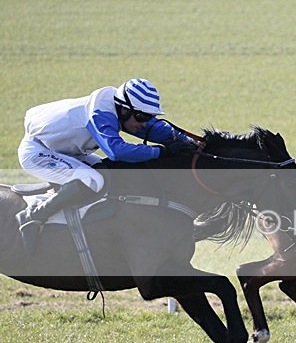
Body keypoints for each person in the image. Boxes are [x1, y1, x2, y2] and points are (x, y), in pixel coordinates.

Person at [16, 78, 195, 251]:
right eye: (141, 116)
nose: (144, 123)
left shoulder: (120, 109)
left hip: (64, 152)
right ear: (124, 110)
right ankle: (34, 216)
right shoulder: (100, 113)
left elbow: (153, 128)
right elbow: (117, 152)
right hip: (37, 153)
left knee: (105, 173)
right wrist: (162, 152)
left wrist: (190, 143)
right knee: (93, 180)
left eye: (149, 117)